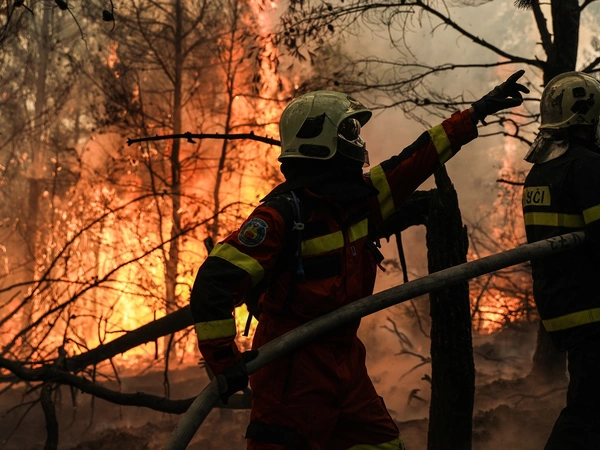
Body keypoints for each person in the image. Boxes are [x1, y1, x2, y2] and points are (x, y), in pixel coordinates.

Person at [190, 70, 528, 449]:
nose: (357, 141)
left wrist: (476, 113)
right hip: (291, 376)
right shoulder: (280, 216)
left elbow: (417, 158)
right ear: (319, 141)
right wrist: (225, 362)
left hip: (347, 364)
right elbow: (214, 283)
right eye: (348, 132)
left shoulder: (361, 200)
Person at [522, 71, 600, 450]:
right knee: (588, 411)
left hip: (562, 305)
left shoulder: (540, 172)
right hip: (592, 306)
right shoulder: (586, 166)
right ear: (587, 118)